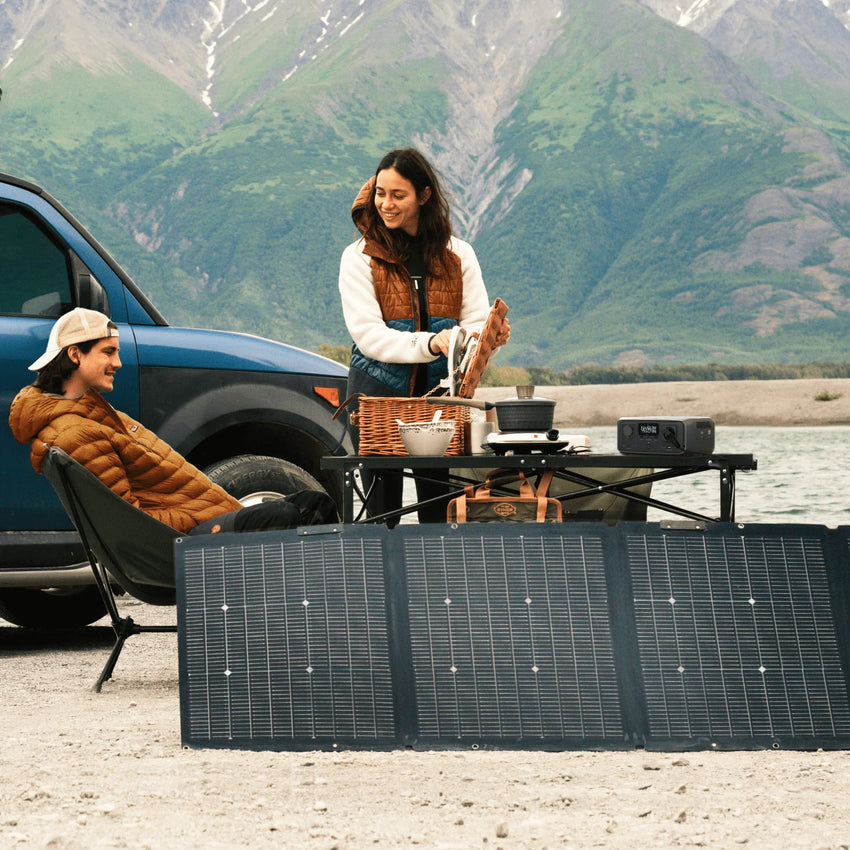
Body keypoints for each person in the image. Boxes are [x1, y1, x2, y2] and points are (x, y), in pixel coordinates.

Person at [9, 308, 338, 535]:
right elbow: (129, 522)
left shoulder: (88, 414)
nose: (118, 363)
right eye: (108, 352)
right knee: (309, 510)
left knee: (308, 505)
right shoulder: (78, 433)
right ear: (74, 354)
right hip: (185, 539)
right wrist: (201, 517)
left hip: (196, 524)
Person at [338, 148, 509, 522]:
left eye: (398, 195)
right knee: (381, 518)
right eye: (380, 193)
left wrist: (487, 339)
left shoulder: (460, 254)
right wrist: (431, 343)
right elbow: (368, 336)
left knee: (439, 514)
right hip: (376, 399)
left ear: (424, 195)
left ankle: (434, 561)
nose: (386, 204)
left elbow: (474, 324)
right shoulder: (358, 256)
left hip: (440, 402)